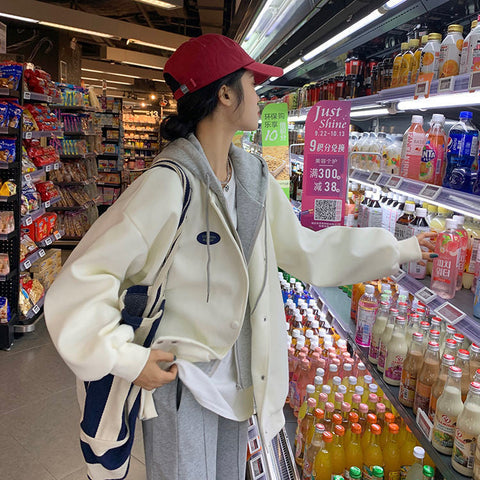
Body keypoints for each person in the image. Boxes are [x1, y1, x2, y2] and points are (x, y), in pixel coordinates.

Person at [44, 34, 435, 480]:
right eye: (253, 81)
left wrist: (404, 248)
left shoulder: (251, 177)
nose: (261, 93)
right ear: (225, 93)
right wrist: (128, 360)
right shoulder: (167, 185)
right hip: (182, 383)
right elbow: (80, 282)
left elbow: (303, 250)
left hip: (241, 380)